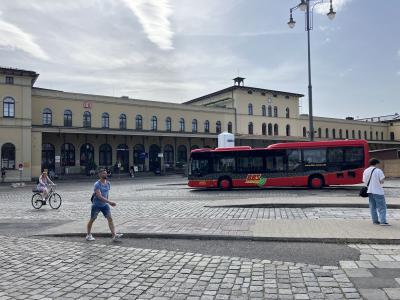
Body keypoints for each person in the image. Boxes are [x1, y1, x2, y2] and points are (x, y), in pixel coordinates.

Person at [86, 169, 123, 241]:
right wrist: (110, 202)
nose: (105, 175)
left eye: (106, 173)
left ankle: (114, 235)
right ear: (99, 175)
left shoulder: (108, 183)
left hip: (105, 205)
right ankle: (88, 235)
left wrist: (108, 203)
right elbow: (99, 196)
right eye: (103, 173)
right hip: (96, 205)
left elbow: (106, 194)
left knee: (110, 219)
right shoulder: (97, 184)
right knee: (92, 219)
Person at [363, 158, 389, 225]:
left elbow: (364, 181)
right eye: (378, 164)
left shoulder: (366, 171)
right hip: (378, 191)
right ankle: (383, 221)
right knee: (382, 207)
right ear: (376, 163)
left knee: (372, 207)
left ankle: (375, 221)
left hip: (369, 191)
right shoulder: (378, 171)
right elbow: (382, 181)